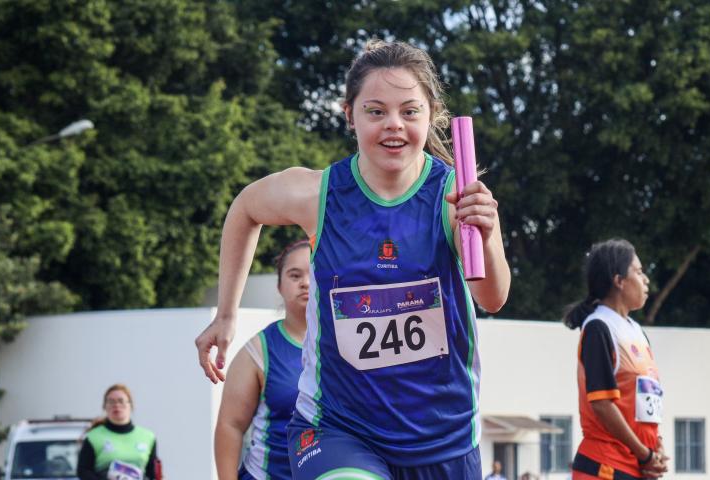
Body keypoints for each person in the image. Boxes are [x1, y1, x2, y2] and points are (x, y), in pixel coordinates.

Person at [195, 39, 511, 479]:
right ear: (350, 115)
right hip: (338, 429)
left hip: (442, 436)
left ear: (432, 114)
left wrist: (488, 236)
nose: (393, 125)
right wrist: (226, 314)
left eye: (410, 111)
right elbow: (246, 208)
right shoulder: (318, 194)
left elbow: (493, 298)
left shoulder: (454, 197)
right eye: (375, 111)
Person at [563, 239, 669, 479]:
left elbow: (645, 403)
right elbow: (602, 403)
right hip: (606, 466)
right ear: (619, 280)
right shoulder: (599, 328)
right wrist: (644, 454)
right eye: (639, 272)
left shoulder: (637, 332)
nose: (646, 280)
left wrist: (656, 446)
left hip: (636, 465)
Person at [214, 240, 310, 480]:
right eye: (295, 275)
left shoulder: (349, 343)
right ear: (279, 286)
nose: (305, 283)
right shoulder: (259, 349)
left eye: (314, 274)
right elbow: (230, 426)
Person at [77, 384, 159, 480]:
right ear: (104, 407)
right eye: (111, 402)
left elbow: (153, 473)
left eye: (121, 401)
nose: (116, 405)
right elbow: (83, 471)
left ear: (131, 405)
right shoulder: (93, 437)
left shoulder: (148, 437)